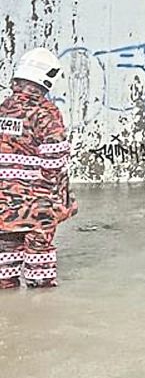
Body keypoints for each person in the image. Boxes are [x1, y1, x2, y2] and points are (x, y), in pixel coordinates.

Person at [0, 48, 76, 290]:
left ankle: (7, 290)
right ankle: (39, 301)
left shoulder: (4, 108)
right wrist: (60, 197)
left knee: (6, 248)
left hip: (4, 199)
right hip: (37, 201)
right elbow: (55, 157)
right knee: (39, 251)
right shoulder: (45, 113)